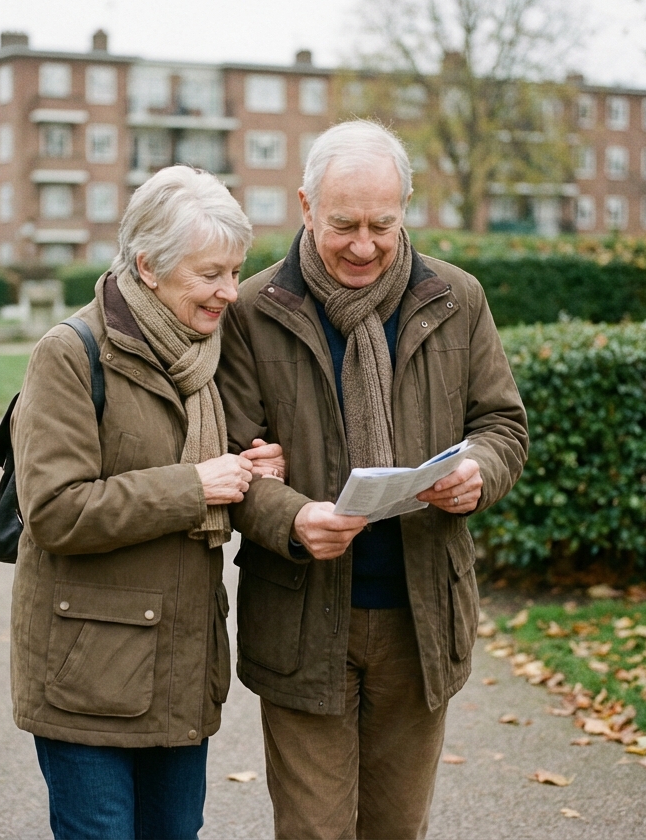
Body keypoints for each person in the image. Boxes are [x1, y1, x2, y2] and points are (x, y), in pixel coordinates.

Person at [217, 120, 529, 840]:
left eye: (382, 225)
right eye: (343, 224)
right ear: (304, 207)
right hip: (301, 619)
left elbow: (503, 426)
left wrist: (480, 471)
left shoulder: (457, 297)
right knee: (313, 831)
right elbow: (233, 460)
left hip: (421, 619)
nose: (363, 245)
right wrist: (291, 517)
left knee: (396, 829)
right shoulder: (255, 312)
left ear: (406, 208)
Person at [10, 165, 284, 840]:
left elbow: (221, 472)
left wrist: (255, 469)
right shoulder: (71, 355)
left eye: (235, 271)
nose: (229, 291)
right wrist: (193, 487)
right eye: (211, 273)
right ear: (149, 267)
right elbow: (54, 510)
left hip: (181, 667)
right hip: (88, 676)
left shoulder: (209, 354)